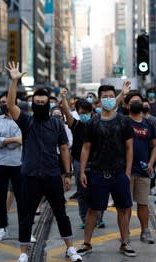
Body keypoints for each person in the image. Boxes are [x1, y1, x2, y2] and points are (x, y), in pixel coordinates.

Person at [5, 62, 82, 262]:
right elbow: (11, 105)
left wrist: (67, 174)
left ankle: (70, 249)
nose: (39, 105)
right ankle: (24, 252)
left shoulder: (57, 123)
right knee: (27, 216)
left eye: (43, 102)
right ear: (33, 104)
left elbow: (65, 149)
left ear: (49, 104)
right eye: (36, 102)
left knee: (61, 213)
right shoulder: (27, 121)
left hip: (52, 175)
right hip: (30, 176)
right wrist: (14, 81)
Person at [78, 84, 136, 257]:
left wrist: (127, 172)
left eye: (111, 96)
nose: (109, 99)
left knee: (123, 209)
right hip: (97, 173)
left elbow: (129, 148)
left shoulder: (124, 121)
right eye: (105, 96)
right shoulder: (92, 122)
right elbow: (85, 148)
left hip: (119, 173)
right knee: (93, 210)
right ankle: (87, 243)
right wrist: (82, 171)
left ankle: (125, 243)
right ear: (99, 99)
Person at [125, 92, 156, 244]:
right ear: (127, 105)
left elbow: (155, 145)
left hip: (143, 170)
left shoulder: (148, 123)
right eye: (133, 102)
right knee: (125, 205)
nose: (136, 103)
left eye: (138, 101)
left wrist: (151, 163)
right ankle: (124, 233)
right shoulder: (123, 121)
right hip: (125, 171)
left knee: (143, 203)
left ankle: (145, 231)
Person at [0, 93, 23, 242]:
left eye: (6, 102)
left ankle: (26, 230)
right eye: (1, 102)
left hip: (18, 164)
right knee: (1, 198)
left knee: (23, 198)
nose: (3, 105)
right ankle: (2, 228)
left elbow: (21, 140)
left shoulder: (21, 119)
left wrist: (3, 141)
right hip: (0, 163)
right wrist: (12, 140)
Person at [60, 88, 94, 228]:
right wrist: (63, 98)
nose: (84, 114)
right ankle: (84, 218)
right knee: (82, 192)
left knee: (97, 191)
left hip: (96, 162)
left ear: (92, 112)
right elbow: (67, 112)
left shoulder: (97, 123)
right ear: (78, 112)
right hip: (79, 162)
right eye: (82, 112)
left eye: (87, 112)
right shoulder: (76, 125)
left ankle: (98, 217)